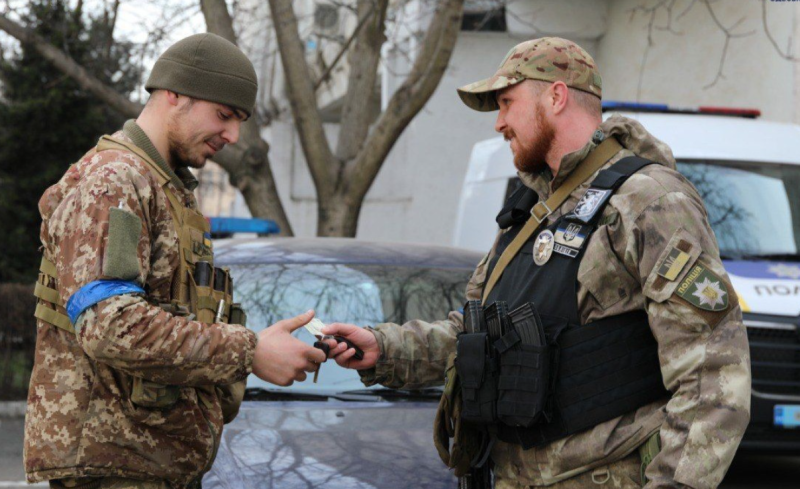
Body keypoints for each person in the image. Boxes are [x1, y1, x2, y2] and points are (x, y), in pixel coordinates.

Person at [323, 37, 751, 488]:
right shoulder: (530, 210)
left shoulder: (649, 202)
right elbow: (479, 339)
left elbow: (714, 376)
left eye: (507, 102)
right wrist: (382, 348)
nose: (499, 123)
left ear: (556, 96)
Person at [24, 33, 326, 489]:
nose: (234, 135)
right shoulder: (114, 183)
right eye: (224, 115)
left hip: (146, 465)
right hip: (114, 469)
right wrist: (250, 351)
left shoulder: (162, 187)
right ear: (174, 94)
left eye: (239, 120)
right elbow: (109, 325)